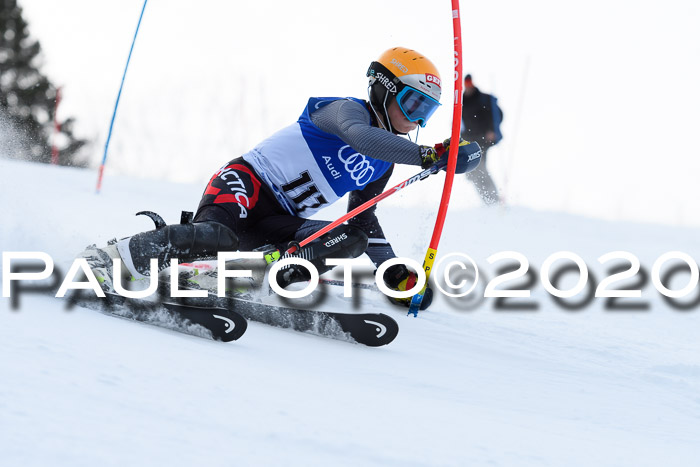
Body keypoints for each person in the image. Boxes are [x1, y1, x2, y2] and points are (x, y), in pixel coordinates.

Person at [86, 47, 481, 311]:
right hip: (247, 184)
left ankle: (264, 274)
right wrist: (430, 155)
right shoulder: (341, 110)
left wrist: (393, 272)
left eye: (426, 113)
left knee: (351, 238)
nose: (416, 120)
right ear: (384, 90)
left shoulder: (384, 162)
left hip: (278, 219)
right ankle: (112, 257)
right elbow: (360, 137)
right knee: (217, 237)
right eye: (413, 104)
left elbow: (361, 219)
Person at [461, 74, 503, 205]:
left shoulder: (483, 99)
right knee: (471, 172)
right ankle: (488, 199)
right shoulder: (463, 100)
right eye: (466, 84)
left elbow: (498, 115)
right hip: (469, 140)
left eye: (470, 83)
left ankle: (493, 199)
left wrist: (492, 130)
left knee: (479, 168)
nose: (468, 86)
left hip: (483, 139)